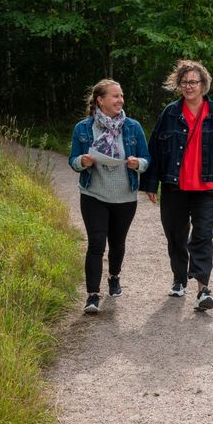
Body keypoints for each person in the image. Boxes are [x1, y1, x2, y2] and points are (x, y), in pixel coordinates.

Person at [140, 60, 213, 311]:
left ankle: (203, 289)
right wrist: (151, 183)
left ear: (203, 84)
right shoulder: (170, 113)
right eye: (184, 82)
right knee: (176, 236)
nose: (189, 86)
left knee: (203, 235)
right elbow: (156, 149)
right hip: (175, 186)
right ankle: (179, 279)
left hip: (208, 186)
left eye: (193, 82)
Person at [68, 79, 151, 314]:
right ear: (100, 100)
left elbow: (147, 159)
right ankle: (92, 295)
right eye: (115, 96)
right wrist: (81, 162)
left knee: (117, 243)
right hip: (93, 194)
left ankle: (114, 276)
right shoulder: (83, 128)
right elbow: (73, 160)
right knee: (96, 243)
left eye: (121, 96)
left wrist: (138, 163)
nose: (120, 100)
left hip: (125, 197)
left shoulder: (132, 127)